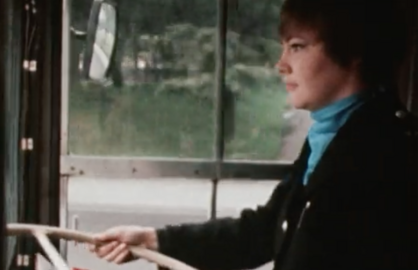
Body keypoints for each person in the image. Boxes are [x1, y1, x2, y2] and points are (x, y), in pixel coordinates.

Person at [89, 0, 418, 269]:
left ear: (354, 52)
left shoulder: (390, 158)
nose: (281, 64)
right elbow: (265, 230)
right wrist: (155, 240)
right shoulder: (330, 136)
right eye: (283, 48)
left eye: (298, 47)